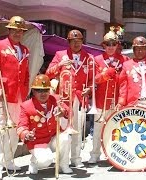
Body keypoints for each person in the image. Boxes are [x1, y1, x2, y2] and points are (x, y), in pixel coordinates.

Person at [0, 16, 29, 180]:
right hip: (0, 96)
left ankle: (8, 161)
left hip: (18, 97)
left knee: (14, 131)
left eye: (21, 31)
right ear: (9, 30)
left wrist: (25, 91)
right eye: (15, 30)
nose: (18, 33)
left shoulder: (24, 50)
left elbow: (26, 74)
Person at [46, 29, 94, 168]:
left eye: (79, 41)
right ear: (68, 42)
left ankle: (76, 158)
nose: (76, 44)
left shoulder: (89, 57)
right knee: (63, 130)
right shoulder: (60, 55)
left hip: (80, 98)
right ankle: (62, 160)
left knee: (77, 130)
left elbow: (92, 80)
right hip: (64, 98)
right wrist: (59, 65)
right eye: (73, 41)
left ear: (82, 42)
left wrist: (89, 89)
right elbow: (48, 73)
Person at [16, 74, 72, 174]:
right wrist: (26, 134)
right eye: (39, 90)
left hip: (54, 137)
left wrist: (63, 112)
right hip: (38, 142)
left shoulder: (56, 99)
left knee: (66, 138)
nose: (43, 94)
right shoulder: (26, 106)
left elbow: (69, 111)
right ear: (33, 91)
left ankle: (63, 164)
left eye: (46, 90)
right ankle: (34, 161)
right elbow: (21, 126)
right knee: (46, 161)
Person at [88, 28, 128, 164]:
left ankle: (112, 154)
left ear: (117, 45)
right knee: (98, 129)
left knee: (115, 129)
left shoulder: (124, 60)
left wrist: (122, 101)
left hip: (116, 100)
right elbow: (94, 79)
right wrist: (107, 73)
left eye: (113, 44)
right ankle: (95, 154)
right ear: (103, 45)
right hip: (100, 100)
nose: (111, 47)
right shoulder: (96, 59)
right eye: (108, 44)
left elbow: (125, 82)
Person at [116, 36, 146, 108]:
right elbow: (123, 87)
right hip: (133, 103)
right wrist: (121, 103)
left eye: (142, 49)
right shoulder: (127, 65)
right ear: (134, 50)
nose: (139, 51)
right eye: (137, 49)